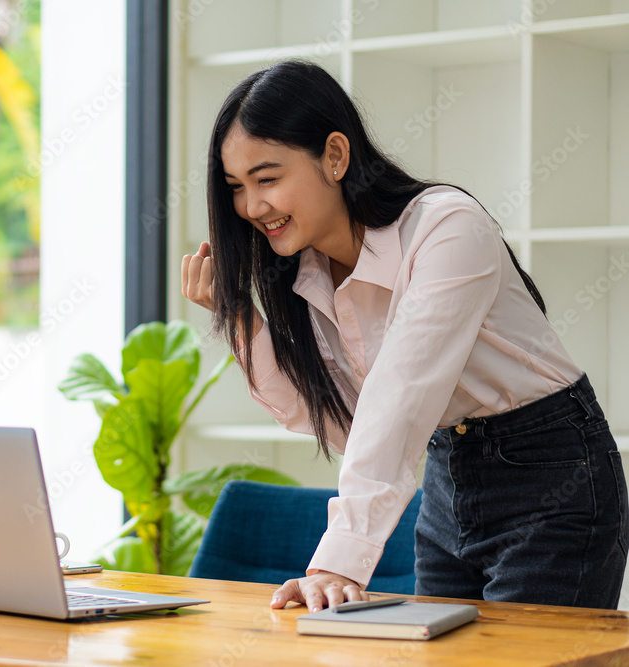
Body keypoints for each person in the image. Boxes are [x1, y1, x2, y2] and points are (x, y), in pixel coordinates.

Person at [181, 59, 628, 612]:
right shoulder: (308, 274)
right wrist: (243, 322)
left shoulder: (446, 227)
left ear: (336, 156)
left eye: (268, 178)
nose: (252, 207)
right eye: (237, 188)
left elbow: (400, 395)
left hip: (551, 473)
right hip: (447, 474)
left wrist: (335, 562)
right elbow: (342, 420)